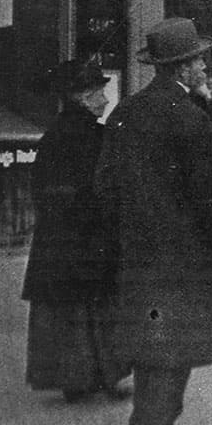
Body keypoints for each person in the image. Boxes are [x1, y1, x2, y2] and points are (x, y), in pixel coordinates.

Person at [94, 18, 212, 425]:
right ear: (183, 66)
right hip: (183, 256)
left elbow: (104, 186)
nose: (205, 67)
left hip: (138, 252)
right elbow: (210, 196)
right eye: (200, 60)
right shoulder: (190, 118)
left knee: (151, 338)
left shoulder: (126, 111)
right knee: (175, 344)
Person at [22, 59, 130, 403]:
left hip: (57, 241)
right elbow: (104, 188)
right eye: (99, 92)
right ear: (82, 97)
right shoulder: (95, 136)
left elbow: (43, 190)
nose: (105, 99)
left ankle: (74, 380)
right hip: (90, 238)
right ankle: (101, 377)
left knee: (65, 312)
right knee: (96, 308)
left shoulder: (53, 134)